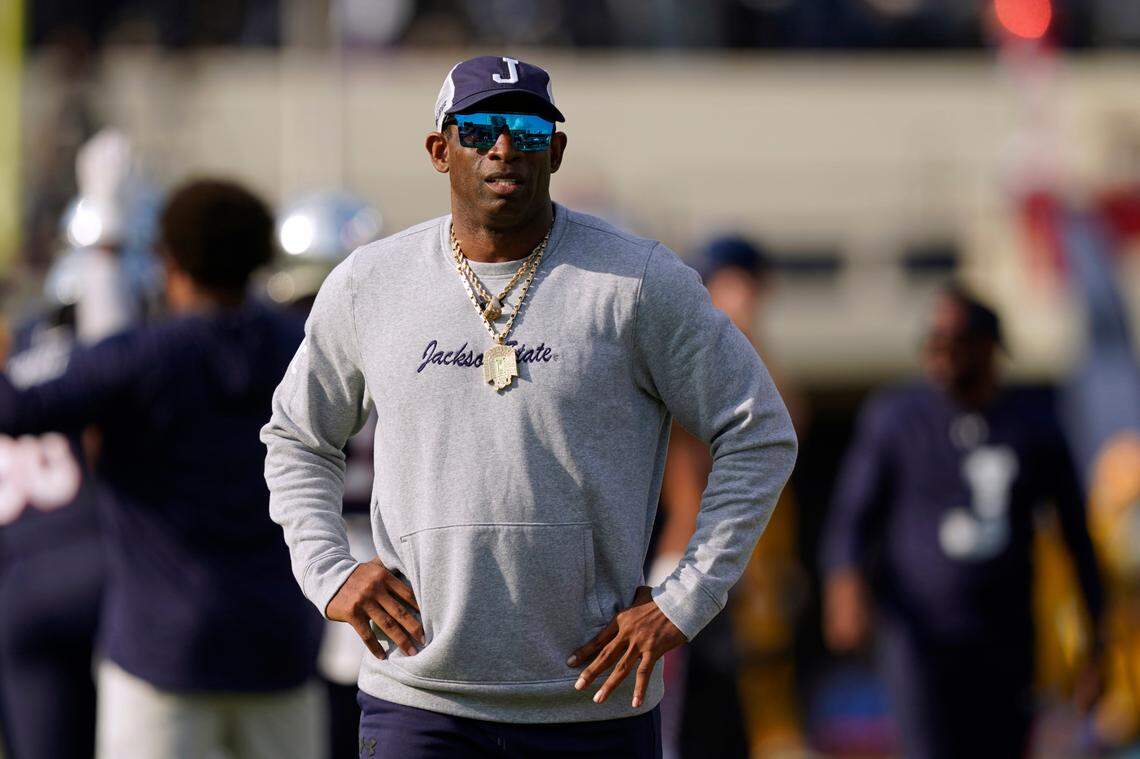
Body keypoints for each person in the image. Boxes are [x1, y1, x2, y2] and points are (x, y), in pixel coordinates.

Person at [262, 54, 798, 757]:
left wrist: (684, 600)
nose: (505, 147)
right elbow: (297, 438)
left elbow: (758, 432)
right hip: (420, 701)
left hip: (592, 699)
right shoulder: (371, 282)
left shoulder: (637, 280)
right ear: (440, 150)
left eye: (529, 129)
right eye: (479, 129)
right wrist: (329, 569)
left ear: (558, 149)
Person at [0, 179, 326, 759]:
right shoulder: (303, 349)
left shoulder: (141, 357)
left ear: (169, 259)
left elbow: (16, 409)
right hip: (281, 643)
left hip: (162, 651)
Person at [820, 286, 1105, 759]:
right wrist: (844, 584)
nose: (940, 355)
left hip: (1004, 633)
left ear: (988, 346)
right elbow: (852, 514)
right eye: (932, 343)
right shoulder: (897, 417)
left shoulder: (1032, 424)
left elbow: (1076, 535)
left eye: (953, 342)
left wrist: (1095, 638)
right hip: (917, 636)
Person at [652, 234, 808, 758]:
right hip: (691, 552)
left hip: (751, 558)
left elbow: (785, 427)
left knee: (754, 705)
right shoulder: (688, 347)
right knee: (679, 712)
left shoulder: (752, 353)